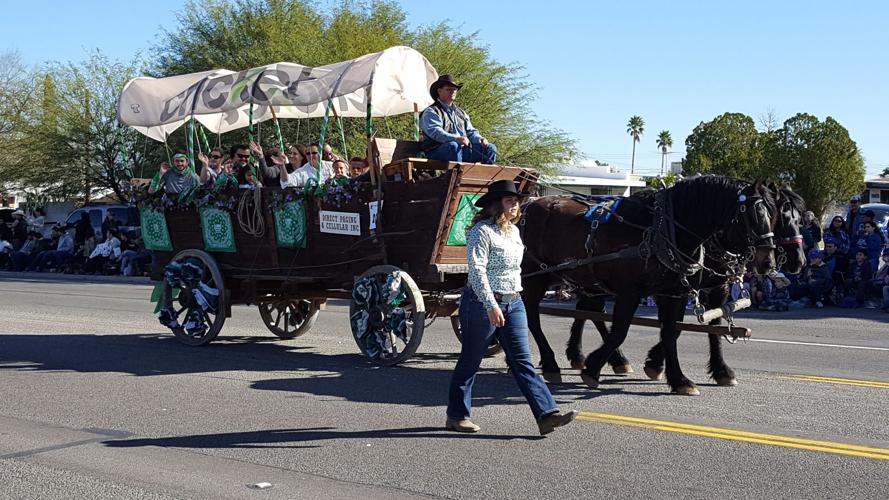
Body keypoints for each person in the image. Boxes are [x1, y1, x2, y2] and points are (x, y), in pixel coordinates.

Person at [446, 179, 576, 436]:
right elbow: (477, 273)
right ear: (496, 205)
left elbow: (515, 270)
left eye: (517, 201)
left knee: (522, 362)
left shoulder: (513, 232)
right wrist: (491, 304)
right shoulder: (481, 232)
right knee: (471, 360)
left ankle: (547, 415)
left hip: (513, 302)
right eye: (510, 201)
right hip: (481, 303)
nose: (516, 204)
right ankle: (457, 415)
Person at [420, 74, 497, 165]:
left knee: (490, 148)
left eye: (454, 89)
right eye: (448, 89)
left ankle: (484, 177)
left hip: (462, 150)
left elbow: (471, 132)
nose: (452, 92)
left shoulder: (461, 113)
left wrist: (480, 139)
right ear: (439, 91)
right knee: (453, 146)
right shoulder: (431, 111)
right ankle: (456, 176)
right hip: (437, 151)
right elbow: (435, 132)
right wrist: (456, 138)